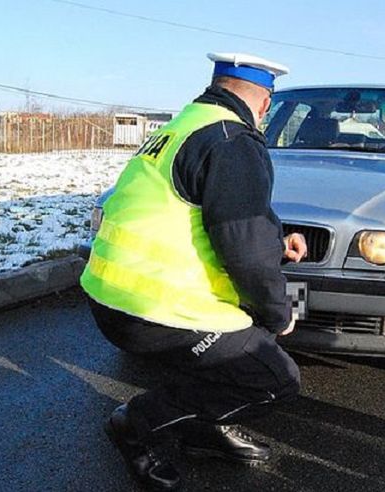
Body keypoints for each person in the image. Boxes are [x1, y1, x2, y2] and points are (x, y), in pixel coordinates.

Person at [80, 52, 306, 490]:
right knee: (273, 378)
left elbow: (196, 221)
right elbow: (246, 254)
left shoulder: (183, 126)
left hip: (112, 295)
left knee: (242, 342)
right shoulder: (233, 140)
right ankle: (135, 424)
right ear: (264, 103)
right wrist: (280, 313)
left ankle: (203, 429)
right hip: (153, 308)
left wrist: (276, 244)